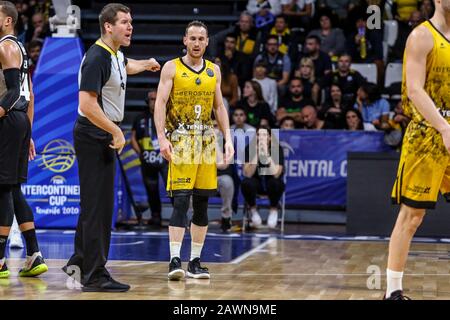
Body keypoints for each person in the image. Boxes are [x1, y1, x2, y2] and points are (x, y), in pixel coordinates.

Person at [63, 3, 161, 292]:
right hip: (95, 134)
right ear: (108, 26)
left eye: (131, 22)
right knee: (99, 208)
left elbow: (124, 67)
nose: (130, 26)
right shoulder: (96, 57)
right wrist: (117, 130)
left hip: (100, 132)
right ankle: (94, 276)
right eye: (125, 22)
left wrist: (145, 64)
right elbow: (86, 104)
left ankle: (79, 265)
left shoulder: (114, 54)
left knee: (94, 206)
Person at [154, 21, 234, 280]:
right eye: (193, 38)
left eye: (202, 38)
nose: (197, 43)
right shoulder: (172, 68)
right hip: (181, 140)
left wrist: (228, 138)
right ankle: (175, 259)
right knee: (180, 201)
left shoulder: (214, 71)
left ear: (208, 41)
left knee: (201, 204)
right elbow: (161, 103)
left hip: (206, 141)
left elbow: (219, 107)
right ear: (185, 41)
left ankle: (195, 262)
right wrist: (161, 138)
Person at [386, 0, 450, 300]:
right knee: (413, 216)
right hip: (427, 135)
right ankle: (392, 292)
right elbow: (414, 89)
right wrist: (444, 127)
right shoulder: (421, 36)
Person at [0, 1, 48, 278]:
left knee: (4, 189)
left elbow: (12, 93)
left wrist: (5, 113)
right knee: (14, 189)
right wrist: (27, 131)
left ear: (8, 21)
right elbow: (29, 93)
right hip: (19, 121)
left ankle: (0, 260)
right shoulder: (19, 48)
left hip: (7, 121)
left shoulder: (5, 46)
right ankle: (34, 253)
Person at [130, 89, 169, 227]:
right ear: (147, 102)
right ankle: (156, 216)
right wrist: (140, 153)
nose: (154, 101)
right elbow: (133, 138)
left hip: (165, 160)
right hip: (147, 159)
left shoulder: (168, 116)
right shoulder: (140, 118)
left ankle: (179, 217)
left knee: (172, 189)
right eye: (152, 99)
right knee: (151, 190)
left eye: (156, 98)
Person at [242, 125, 285, 229]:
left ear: (270, 137)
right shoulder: (250, 148)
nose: (261, 138)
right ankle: (253, 210)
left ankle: (273, 209)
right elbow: (247, 174)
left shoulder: (277, 148)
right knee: (246, 183)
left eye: (264, 135)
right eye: (258, 135)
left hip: (271, 180)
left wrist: (266, 154)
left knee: (276, 183)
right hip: (257, 181)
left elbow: (276, 173)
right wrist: (256, 154)